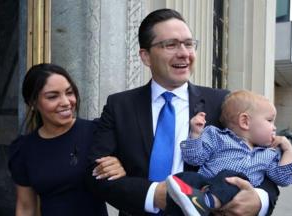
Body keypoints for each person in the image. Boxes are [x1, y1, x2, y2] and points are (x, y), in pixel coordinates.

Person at [87, 8, 279, 216]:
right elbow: (95, 173)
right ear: (146, 56)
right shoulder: (120, 106)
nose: (184, 53)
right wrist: (153, 195)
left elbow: (263, 158)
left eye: (188, 44)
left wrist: (259, 201)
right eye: (170, 45)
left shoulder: (221, 103)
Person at [8, 63, 126, 216]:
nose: (65, 102)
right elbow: (25, 207)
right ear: (33, 103)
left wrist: (121, 167)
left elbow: (135, 173)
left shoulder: (97, 132)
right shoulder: (23, 149)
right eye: (53, 96)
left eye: (69, 93)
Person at [165, 90, 292, 216]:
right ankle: (196, 202)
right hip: (205, 185)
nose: (275, 127)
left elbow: (282, 179)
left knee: (233, 177)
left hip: (235, 198)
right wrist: (195, 134)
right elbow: (194, 158)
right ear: (245, 121)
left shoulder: (269, 154)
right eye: (270, 120)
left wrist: (289, 151)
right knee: (184, 177)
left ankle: (205, 203)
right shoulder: (216, 136)